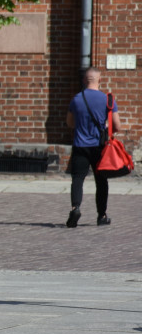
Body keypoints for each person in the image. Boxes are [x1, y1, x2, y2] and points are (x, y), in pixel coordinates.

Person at [66, 67, 120, 228]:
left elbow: (70, 123)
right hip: (99, 147)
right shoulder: (107, 100)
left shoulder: (76, 99)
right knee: (101, 181)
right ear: (100, 80)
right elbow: (117, 126)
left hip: (80, 145)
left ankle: (75, 208)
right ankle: (101, 215)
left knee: (77, 179)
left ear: (84, 80)